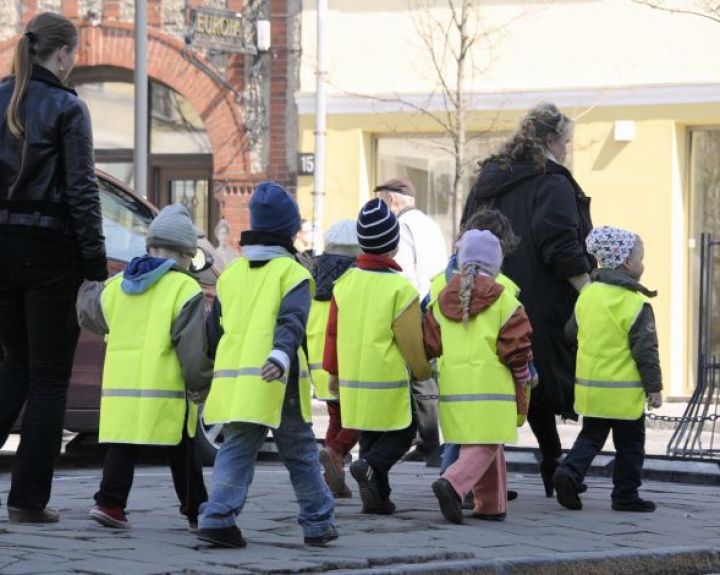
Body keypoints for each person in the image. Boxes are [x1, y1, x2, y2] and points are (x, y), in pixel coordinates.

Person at [0, 12, 107, 523]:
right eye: (74, 54)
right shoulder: (68, 107)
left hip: (0, 248)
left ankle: (25, 498)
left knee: (12, 367)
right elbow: (83, 190)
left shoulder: (2, 97)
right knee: (47, 379)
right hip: (49, 252)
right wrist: (93, 263)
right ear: (62, 54)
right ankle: (27, 500)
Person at [460, 102, 595, 497]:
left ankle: (508, 469)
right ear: (552, 140)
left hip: (486, 291)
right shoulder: (551, 182)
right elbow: (560, 243)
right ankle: (550, 464)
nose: (568, 149)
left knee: (501, 381)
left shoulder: (489, 178)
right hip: (537, 296)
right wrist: (588, 289)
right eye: (567, 141)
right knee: (535, 378)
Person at [196, 181, 337, 549]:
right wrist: (279, 354)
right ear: (289, 230)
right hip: (279, 378)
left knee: (237, 448)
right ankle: (318, 521)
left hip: (239, 384)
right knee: (300, 451)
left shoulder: (230, 277)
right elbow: (291, 322)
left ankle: (217, 517)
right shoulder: (292, 274)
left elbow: (214, 333)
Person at [76, 204, 211, 530]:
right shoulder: (184, 288)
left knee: (121, 447)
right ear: (184, 254)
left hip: (122, 391)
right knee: (184, 450)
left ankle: (110, 504)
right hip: (167, 392)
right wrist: (199, 383)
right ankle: (198, 510)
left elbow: (90, 314)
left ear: (149, 247)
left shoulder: (118, 285)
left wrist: (85, 282)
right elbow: (192, 349)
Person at [323, 198, 433, 515]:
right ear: (394, 246)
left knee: (369, 434)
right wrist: (422, 371)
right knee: (403, 432)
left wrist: (332, 372)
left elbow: (333, 333)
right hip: (387, 381)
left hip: (354, 380)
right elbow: (411, 341)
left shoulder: (344, 284)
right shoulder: (401, 289)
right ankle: (370, 466)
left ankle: (378, 498)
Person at [424, 230, 533, 524]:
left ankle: (490, 504)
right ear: (496, 264)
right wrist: (524, 374)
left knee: (487, 442)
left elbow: (431, 344)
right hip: (493, 390)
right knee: (484, 443)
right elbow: (516, 346)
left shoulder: (442, 298)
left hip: (453, 388)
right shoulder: (504, 301)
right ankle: (454, 483)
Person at [553, 226, 662, 513]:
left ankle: (569, 473)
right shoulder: (635, 303)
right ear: (627, 263)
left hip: (591, 389)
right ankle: (625, 495)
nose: (643, 264)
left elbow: (570, 333)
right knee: (631, 446)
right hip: (624, 394)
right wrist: (654, 388)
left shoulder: (588, 295)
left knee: (591, 437)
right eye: (640, 258)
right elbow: (645, 352)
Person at [375, 178, 447, 465]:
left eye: (383, 201)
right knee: (425, 371)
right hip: (434, 299)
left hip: (415, 302)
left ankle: (427, 440)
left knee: (418, 374)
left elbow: (403, 271)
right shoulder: (428, 223)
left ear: (392, 201)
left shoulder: (402, 226)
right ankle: (429, 439)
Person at [307, 219, 361, 498]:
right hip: (345, 366)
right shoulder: (353, 281)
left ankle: (333, 477)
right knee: (360, 418)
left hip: (319, 368)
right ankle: (335, 451)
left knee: (335, 418)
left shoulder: (312, 279)